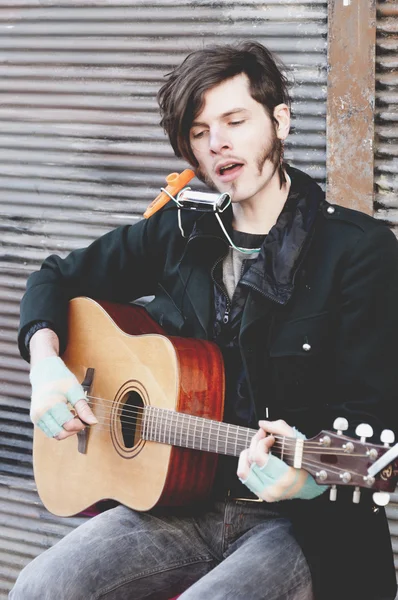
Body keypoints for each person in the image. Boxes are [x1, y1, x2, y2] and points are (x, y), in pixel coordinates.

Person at [10, 41, 398, 600]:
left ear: (280, 120)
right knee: (39, 587)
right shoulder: (181, 231)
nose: (217, 143)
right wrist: (45, 363)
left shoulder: (358, 252)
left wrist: (307, 479)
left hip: (299, 523)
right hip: (182, 502)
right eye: (199, 131)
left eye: (235, 120)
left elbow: (376, 424)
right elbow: (57, 277)